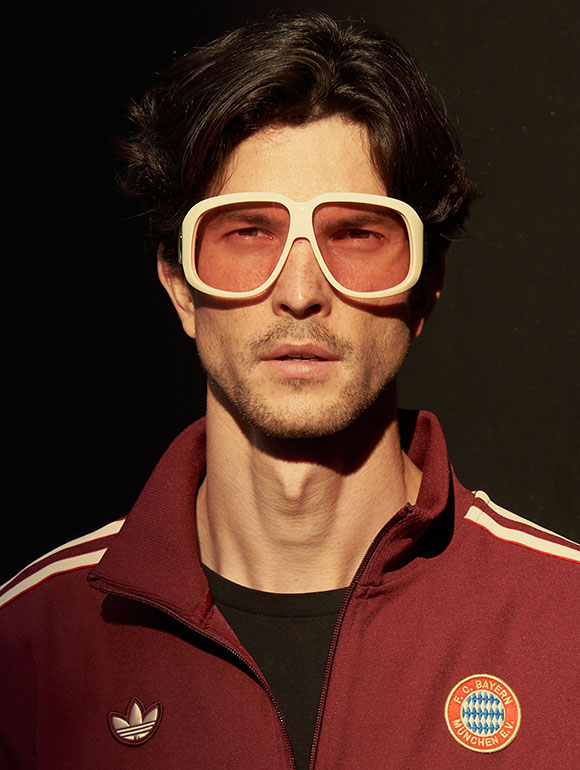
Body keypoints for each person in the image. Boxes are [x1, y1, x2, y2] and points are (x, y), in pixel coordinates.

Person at [1, 11, 578, 770]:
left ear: (424, 288)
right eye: (247, 232)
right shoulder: (27, 644)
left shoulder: (564, 627)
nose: (301, 292)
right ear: (179, 286)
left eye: (357, 234)